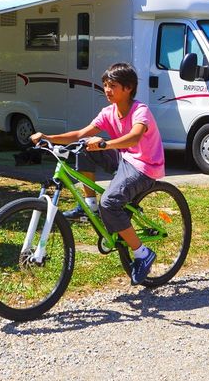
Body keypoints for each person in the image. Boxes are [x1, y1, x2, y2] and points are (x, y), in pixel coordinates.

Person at [30, 62, 165, 285]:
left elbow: (134, 138)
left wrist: (105, 144)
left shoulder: (140, 110)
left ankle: (142, 253)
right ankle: (89, 204)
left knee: (110, 203)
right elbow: (80, 133)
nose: (107, 90)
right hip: (123, 158)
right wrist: (49, 138)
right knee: (83, 145)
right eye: (105, 85)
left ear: (128, 87)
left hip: (144, 166)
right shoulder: (108, 112)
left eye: (112, 85)